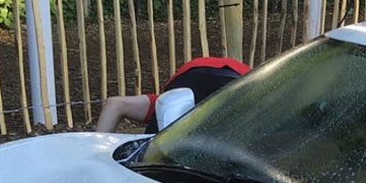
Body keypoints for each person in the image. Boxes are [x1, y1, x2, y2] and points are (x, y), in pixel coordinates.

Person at [96, 56, 250, 133]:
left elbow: (114, 104)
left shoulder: (163, 103)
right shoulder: (161, 103)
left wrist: (96, 159)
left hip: (190, 75)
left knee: (159, 146)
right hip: (238, 79)